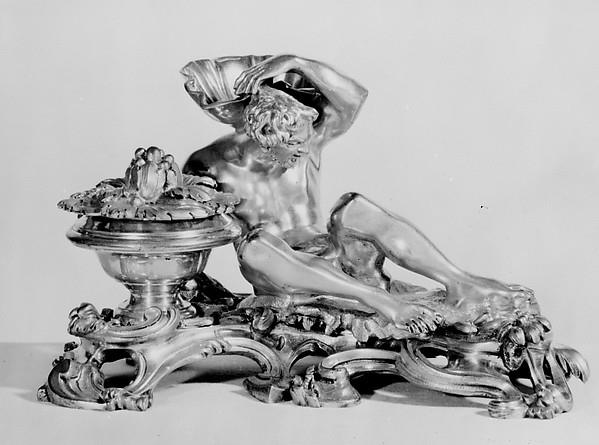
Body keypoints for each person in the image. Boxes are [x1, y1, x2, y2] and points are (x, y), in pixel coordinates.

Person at [182, 54, 534, 335]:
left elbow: (353, 98)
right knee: (255, 246)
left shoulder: (307, 139)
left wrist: (295, 64)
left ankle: (460, 282)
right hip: (284, 277)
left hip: (334, 257)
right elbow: (195, 231)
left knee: (353, 207)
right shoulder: (210, 165)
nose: (306, 150)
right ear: (266, 140)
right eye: (296, 147)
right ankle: (382, 302)